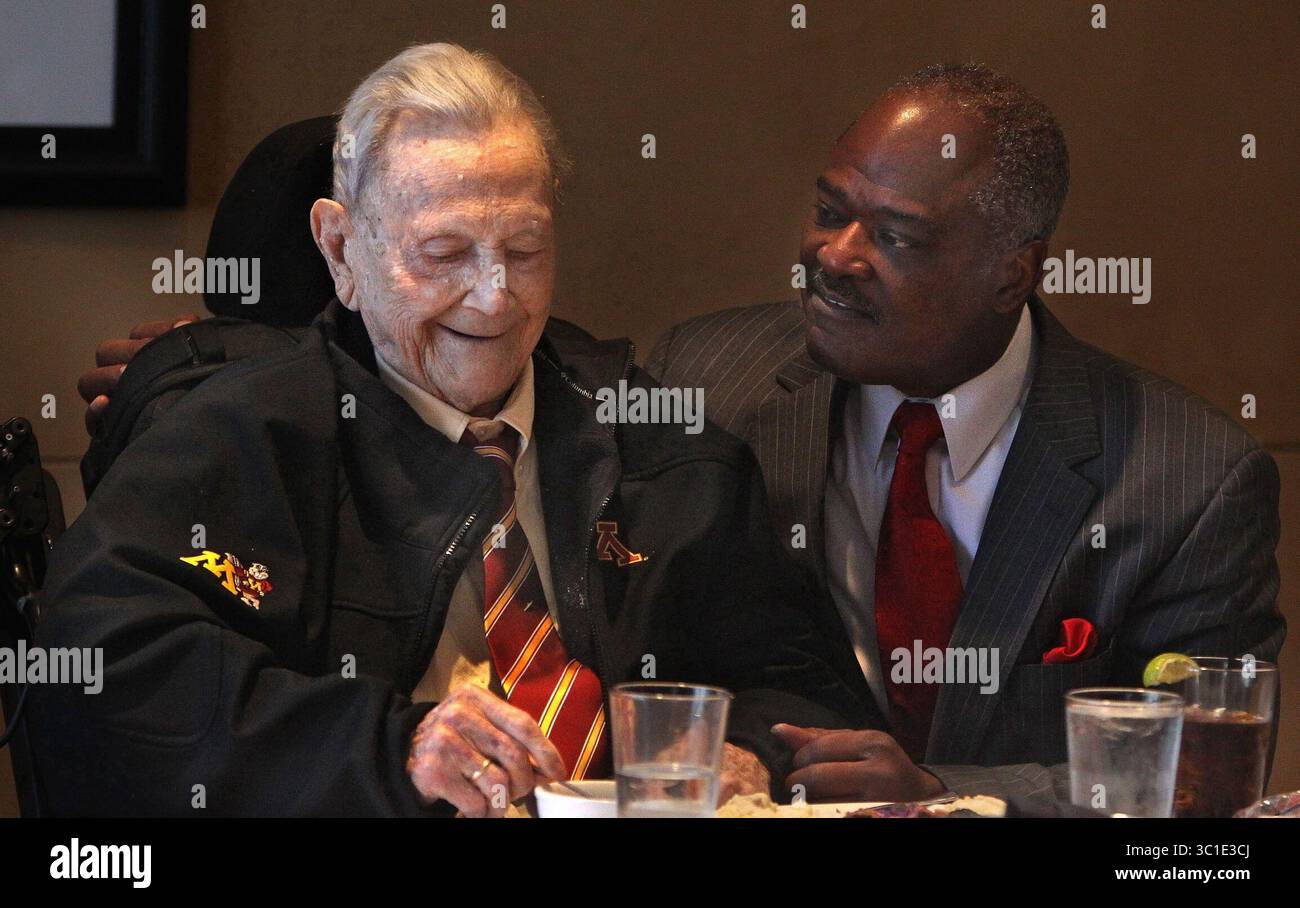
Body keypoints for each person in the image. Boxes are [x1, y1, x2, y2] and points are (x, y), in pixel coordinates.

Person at [30, 43, 872, 818]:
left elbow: (800, 684)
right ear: (341, 250)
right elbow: (104, 678)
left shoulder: (663, 449)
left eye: (526, 247)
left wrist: (750, 755)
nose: (496, 295)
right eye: (444, 253)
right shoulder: (239, 437)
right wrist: (392, 751)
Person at [647, 64, 1285, 802]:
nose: (835, 255)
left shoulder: (1187, 478)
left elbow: (1197, 778)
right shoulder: (706, 385)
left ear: (1012, 276)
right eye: (830, 210)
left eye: (895, 236)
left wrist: (942, 791)